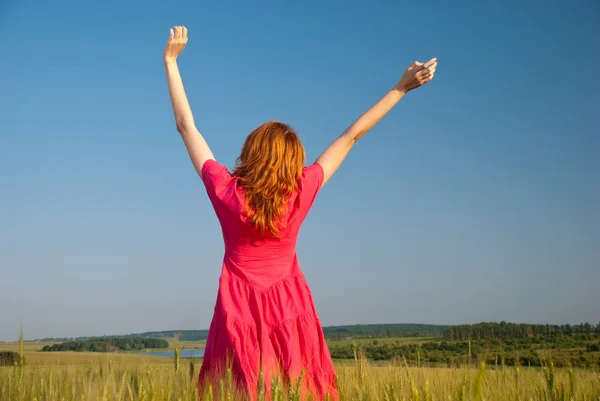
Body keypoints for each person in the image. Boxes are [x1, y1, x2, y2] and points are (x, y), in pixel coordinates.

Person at [163, 26, 437, 401]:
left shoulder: (225, 190)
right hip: (290, 310)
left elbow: (186, 127)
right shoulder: (300, 191)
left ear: (250, 152)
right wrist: (401, 88)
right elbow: (351, 135)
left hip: (236, 312)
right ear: (293, 160)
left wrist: (171, 62)